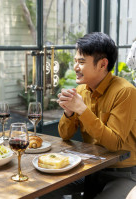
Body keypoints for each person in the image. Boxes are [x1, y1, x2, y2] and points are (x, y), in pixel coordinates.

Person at [56, 32, 136, 198]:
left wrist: (82, 111)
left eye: (81, 62)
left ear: (102, 64)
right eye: (75, 61)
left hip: (123, 173)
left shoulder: (125, 92)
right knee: (46, 189)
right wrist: (69, 112)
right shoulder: (81, 90)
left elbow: (115, 144)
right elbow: (64, 135)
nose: (75, 67)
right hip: (90, 169)